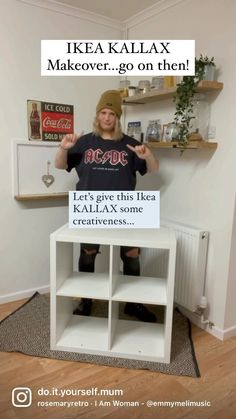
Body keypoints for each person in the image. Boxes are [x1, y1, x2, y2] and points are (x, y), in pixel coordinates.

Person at [55, 90, 159, 322]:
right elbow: (60, 165)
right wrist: (63, 147)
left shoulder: (131, 145)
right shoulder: (83, 142)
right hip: (91, 206)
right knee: (88, 253)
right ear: (97, 114)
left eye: (112, 113)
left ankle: (133, 304)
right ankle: (86, 300)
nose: (107, 117)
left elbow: (154, 170)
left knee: (132, 254)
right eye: (103, 112)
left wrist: (148, 155)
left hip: (124, 208)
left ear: (118, 117)